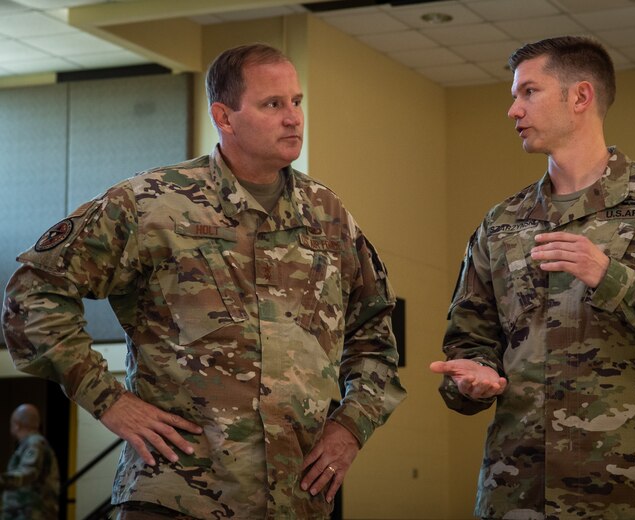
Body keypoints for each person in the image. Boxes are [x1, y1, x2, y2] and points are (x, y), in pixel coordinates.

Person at [2, 42, 405, 519]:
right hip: (175, 494)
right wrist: (108, 399)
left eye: (297, 102)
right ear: (224, 116)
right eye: (272, 104)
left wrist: (351, 428)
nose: (293, 118)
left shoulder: (329, 216)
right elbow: (34, 292)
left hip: (296, 500)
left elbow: (376, 337)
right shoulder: (153, 203)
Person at [430, 36, 635, 520]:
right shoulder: (501, 223)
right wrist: (469, 380)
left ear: (580, 97)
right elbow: (468, 345)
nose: (513, 110)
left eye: (528, 92)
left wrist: (614, 279)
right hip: (517, 492)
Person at [0, 404, 60, 520]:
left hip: (31, 513)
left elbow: (28, 473)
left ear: (16, 425)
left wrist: (3, 480)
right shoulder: (30, 444)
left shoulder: (35, 444)